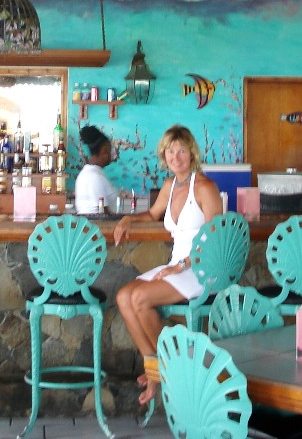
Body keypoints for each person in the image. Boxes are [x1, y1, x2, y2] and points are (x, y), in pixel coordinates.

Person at [114, 124, 223, 406]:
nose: (176, 157)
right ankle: (156, 368)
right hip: (178, 265)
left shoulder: (206, 187)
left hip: (200, 268)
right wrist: (127, 219)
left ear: (192, 153)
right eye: (170, 151)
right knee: (124, 296)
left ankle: (168, 369)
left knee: (139, 298)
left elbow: (215, 238)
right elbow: (152, 214)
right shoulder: (169, 186)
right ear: (164, 155)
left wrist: (182, 265)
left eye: (181, 151)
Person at [73, 125, 117, 215]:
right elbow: (102, 212)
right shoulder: (94, 176)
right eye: (109, 151)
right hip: (96, 223)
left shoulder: (91, 172)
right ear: (103, 151)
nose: (111, 155)